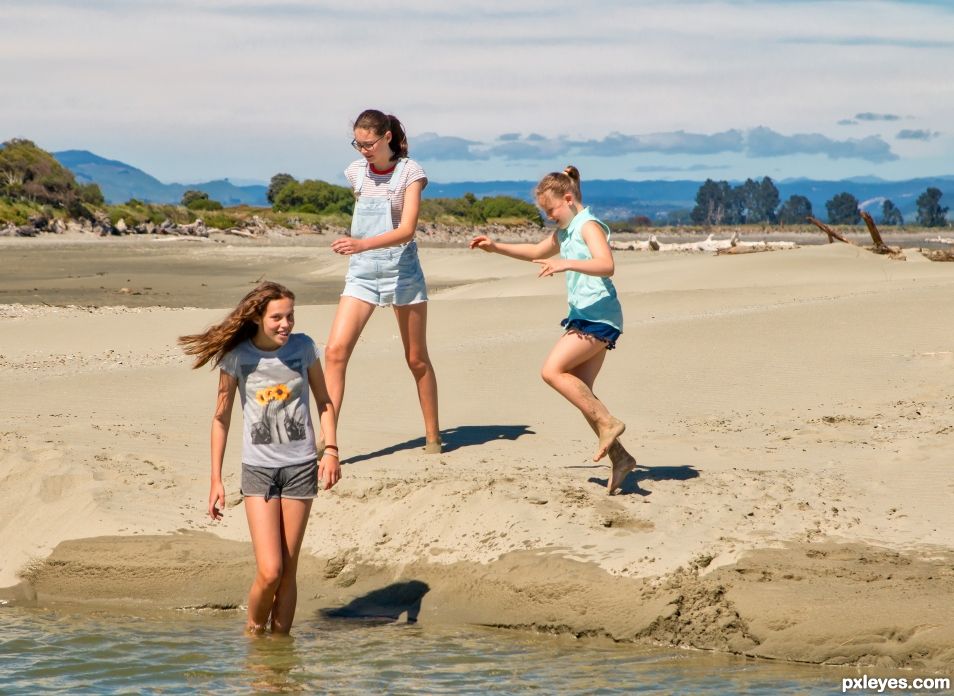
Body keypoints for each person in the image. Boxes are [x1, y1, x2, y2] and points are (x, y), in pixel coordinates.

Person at [178, 281, 341, 634]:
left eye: (290, 317)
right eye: (277, 318)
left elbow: (324, 401)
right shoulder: (238, 357)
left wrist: (331, 450)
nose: (286, 325)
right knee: (270, 570)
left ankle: (279, 648)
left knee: (288, 570)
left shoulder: (303, 348)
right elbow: (220, 418)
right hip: (259, 471)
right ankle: (254, 636)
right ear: (257, 318)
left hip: (300, 468)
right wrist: (216, 480)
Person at [469, 166, 637, 494]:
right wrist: (495, 247)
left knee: (551, 371)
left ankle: (610, 423)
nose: (549, 217)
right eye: (544, 212)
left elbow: (607, 265)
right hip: (583, 315)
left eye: (551, 210)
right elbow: (534, 252)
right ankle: (621, 458)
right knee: (582, 391)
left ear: (569, 199)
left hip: (599, 315)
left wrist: (566, 263)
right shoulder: (566, 230)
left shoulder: (588, 226)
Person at [325, 109, 441, 453]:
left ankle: (433, 438)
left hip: (402, 272)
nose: (363, 150)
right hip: (361, 273)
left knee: (416, 358)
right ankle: (328, 442)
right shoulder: (355, 172)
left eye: (368, 143)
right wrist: (359, 249)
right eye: (357, 144)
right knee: (334, 353)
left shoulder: (411, 173)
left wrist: (360, 243)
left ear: (386, 137)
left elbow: (406, 230)